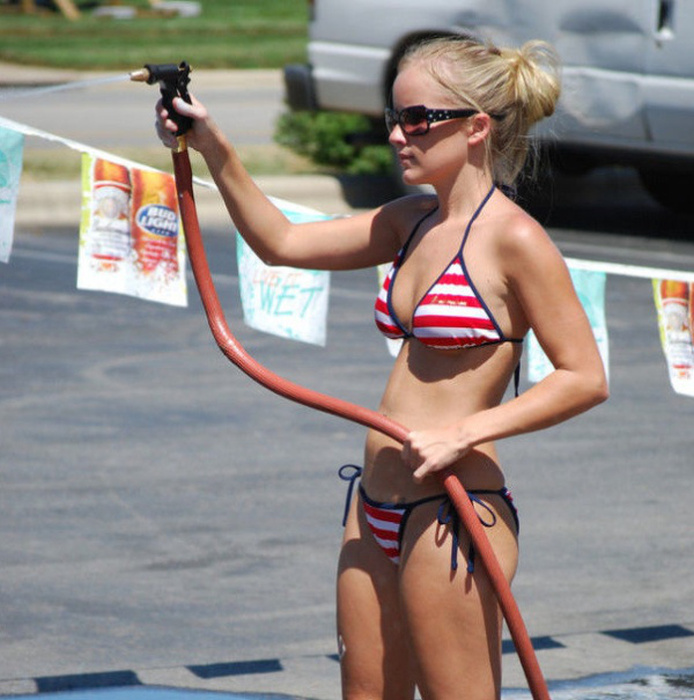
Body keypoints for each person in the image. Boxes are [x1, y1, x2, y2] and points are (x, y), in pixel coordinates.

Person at [156, 34, 608, 700]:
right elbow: (281, 244)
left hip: (452, 507)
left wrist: (461, 433)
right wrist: (211, 145)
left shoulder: (515, 239)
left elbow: (584, 378)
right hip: (372, 505)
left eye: (418, 119)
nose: (399, 136)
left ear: (476, 128)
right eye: (393, 118)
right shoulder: (411, 221)